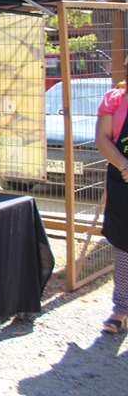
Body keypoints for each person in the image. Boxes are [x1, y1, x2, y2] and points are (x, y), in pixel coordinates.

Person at [94, 66, 128, 335]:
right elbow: (102, 139)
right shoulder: (115, 99)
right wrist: (124, 165)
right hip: (122, 181)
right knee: (124, 246)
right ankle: (122, 308)